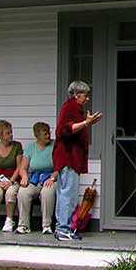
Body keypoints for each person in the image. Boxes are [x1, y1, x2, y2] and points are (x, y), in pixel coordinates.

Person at [53, 80, 103, 242]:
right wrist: (86, 123)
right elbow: (64, 130)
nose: (87, 99)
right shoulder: (70, 107)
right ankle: (63, 229)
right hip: (68, 157)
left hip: (72, 157)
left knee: (67, 193)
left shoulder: (75, 108)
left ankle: (64, 228)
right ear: (76, 94)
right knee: (68, 193)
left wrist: (87, 123)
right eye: (85, 95)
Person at [22, 121, 56, 235]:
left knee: (47, 193)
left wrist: (52, 177)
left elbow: (60, 166)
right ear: (37, 136)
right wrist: (24, 177)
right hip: (35, 178)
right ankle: (24, 225)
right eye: (45, 134)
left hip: (51, 178)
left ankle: (46, 226)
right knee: (23, 192)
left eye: (48, 133)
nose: (48, 136)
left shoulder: (54, 145)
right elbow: (23, 167)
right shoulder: (30, 148)